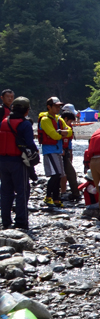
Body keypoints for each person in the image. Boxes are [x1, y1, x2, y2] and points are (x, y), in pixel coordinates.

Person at [0, 97, 38, 229]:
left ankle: (5, 221)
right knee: (22, 191)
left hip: (3, 161)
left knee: (5, 192)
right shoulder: (25, 124)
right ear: (26, 111)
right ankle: (21, 222)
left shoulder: (4, 122)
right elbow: (30, 144)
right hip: (18, 161)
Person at [38, 97, 73, 207]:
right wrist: (62, 133)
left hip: (58, 150)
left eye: (59, 106)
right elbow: (54, 135)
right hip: (49, 150)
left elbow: (70, 132)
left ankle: (56, 199)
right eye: (56, 106)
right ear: (49, 107)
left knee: (59, 174)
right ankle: (48, 197)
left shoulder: (59, 119)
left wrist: (61, 132)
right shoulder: (45, 120)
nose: (58, 108)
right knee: (56, 174)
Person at [58, 109, 80, 202]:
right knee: (67, 174)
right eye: (70, 121)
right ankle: (64, 192)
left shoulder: (68, 127)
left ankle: (72, 193)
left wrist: (70, 154)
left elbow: (69, 143)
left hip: (65, 152)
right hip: (60, 153)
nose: (71, 123)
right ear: (65, 119)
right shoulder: (59, 126)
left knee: (67, 173)